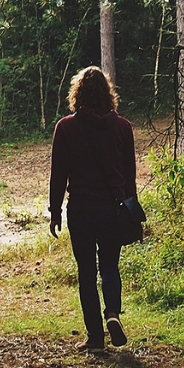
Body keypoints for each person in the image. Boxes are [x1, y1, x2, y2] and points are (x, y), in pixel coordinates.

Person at [48, 65, 137, 351]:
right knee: (110, 265)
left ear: (78, 93)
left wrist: (55, 210)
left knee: (86, 272)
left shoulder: (66, 127)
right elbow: (129, 176)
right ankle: (112, 312)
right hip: (112, 209)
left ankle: (96, 339)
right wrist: (132, 212)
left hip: (81, 210)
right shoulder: (123, 127)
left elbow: (58, 175)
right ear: (108, 94)